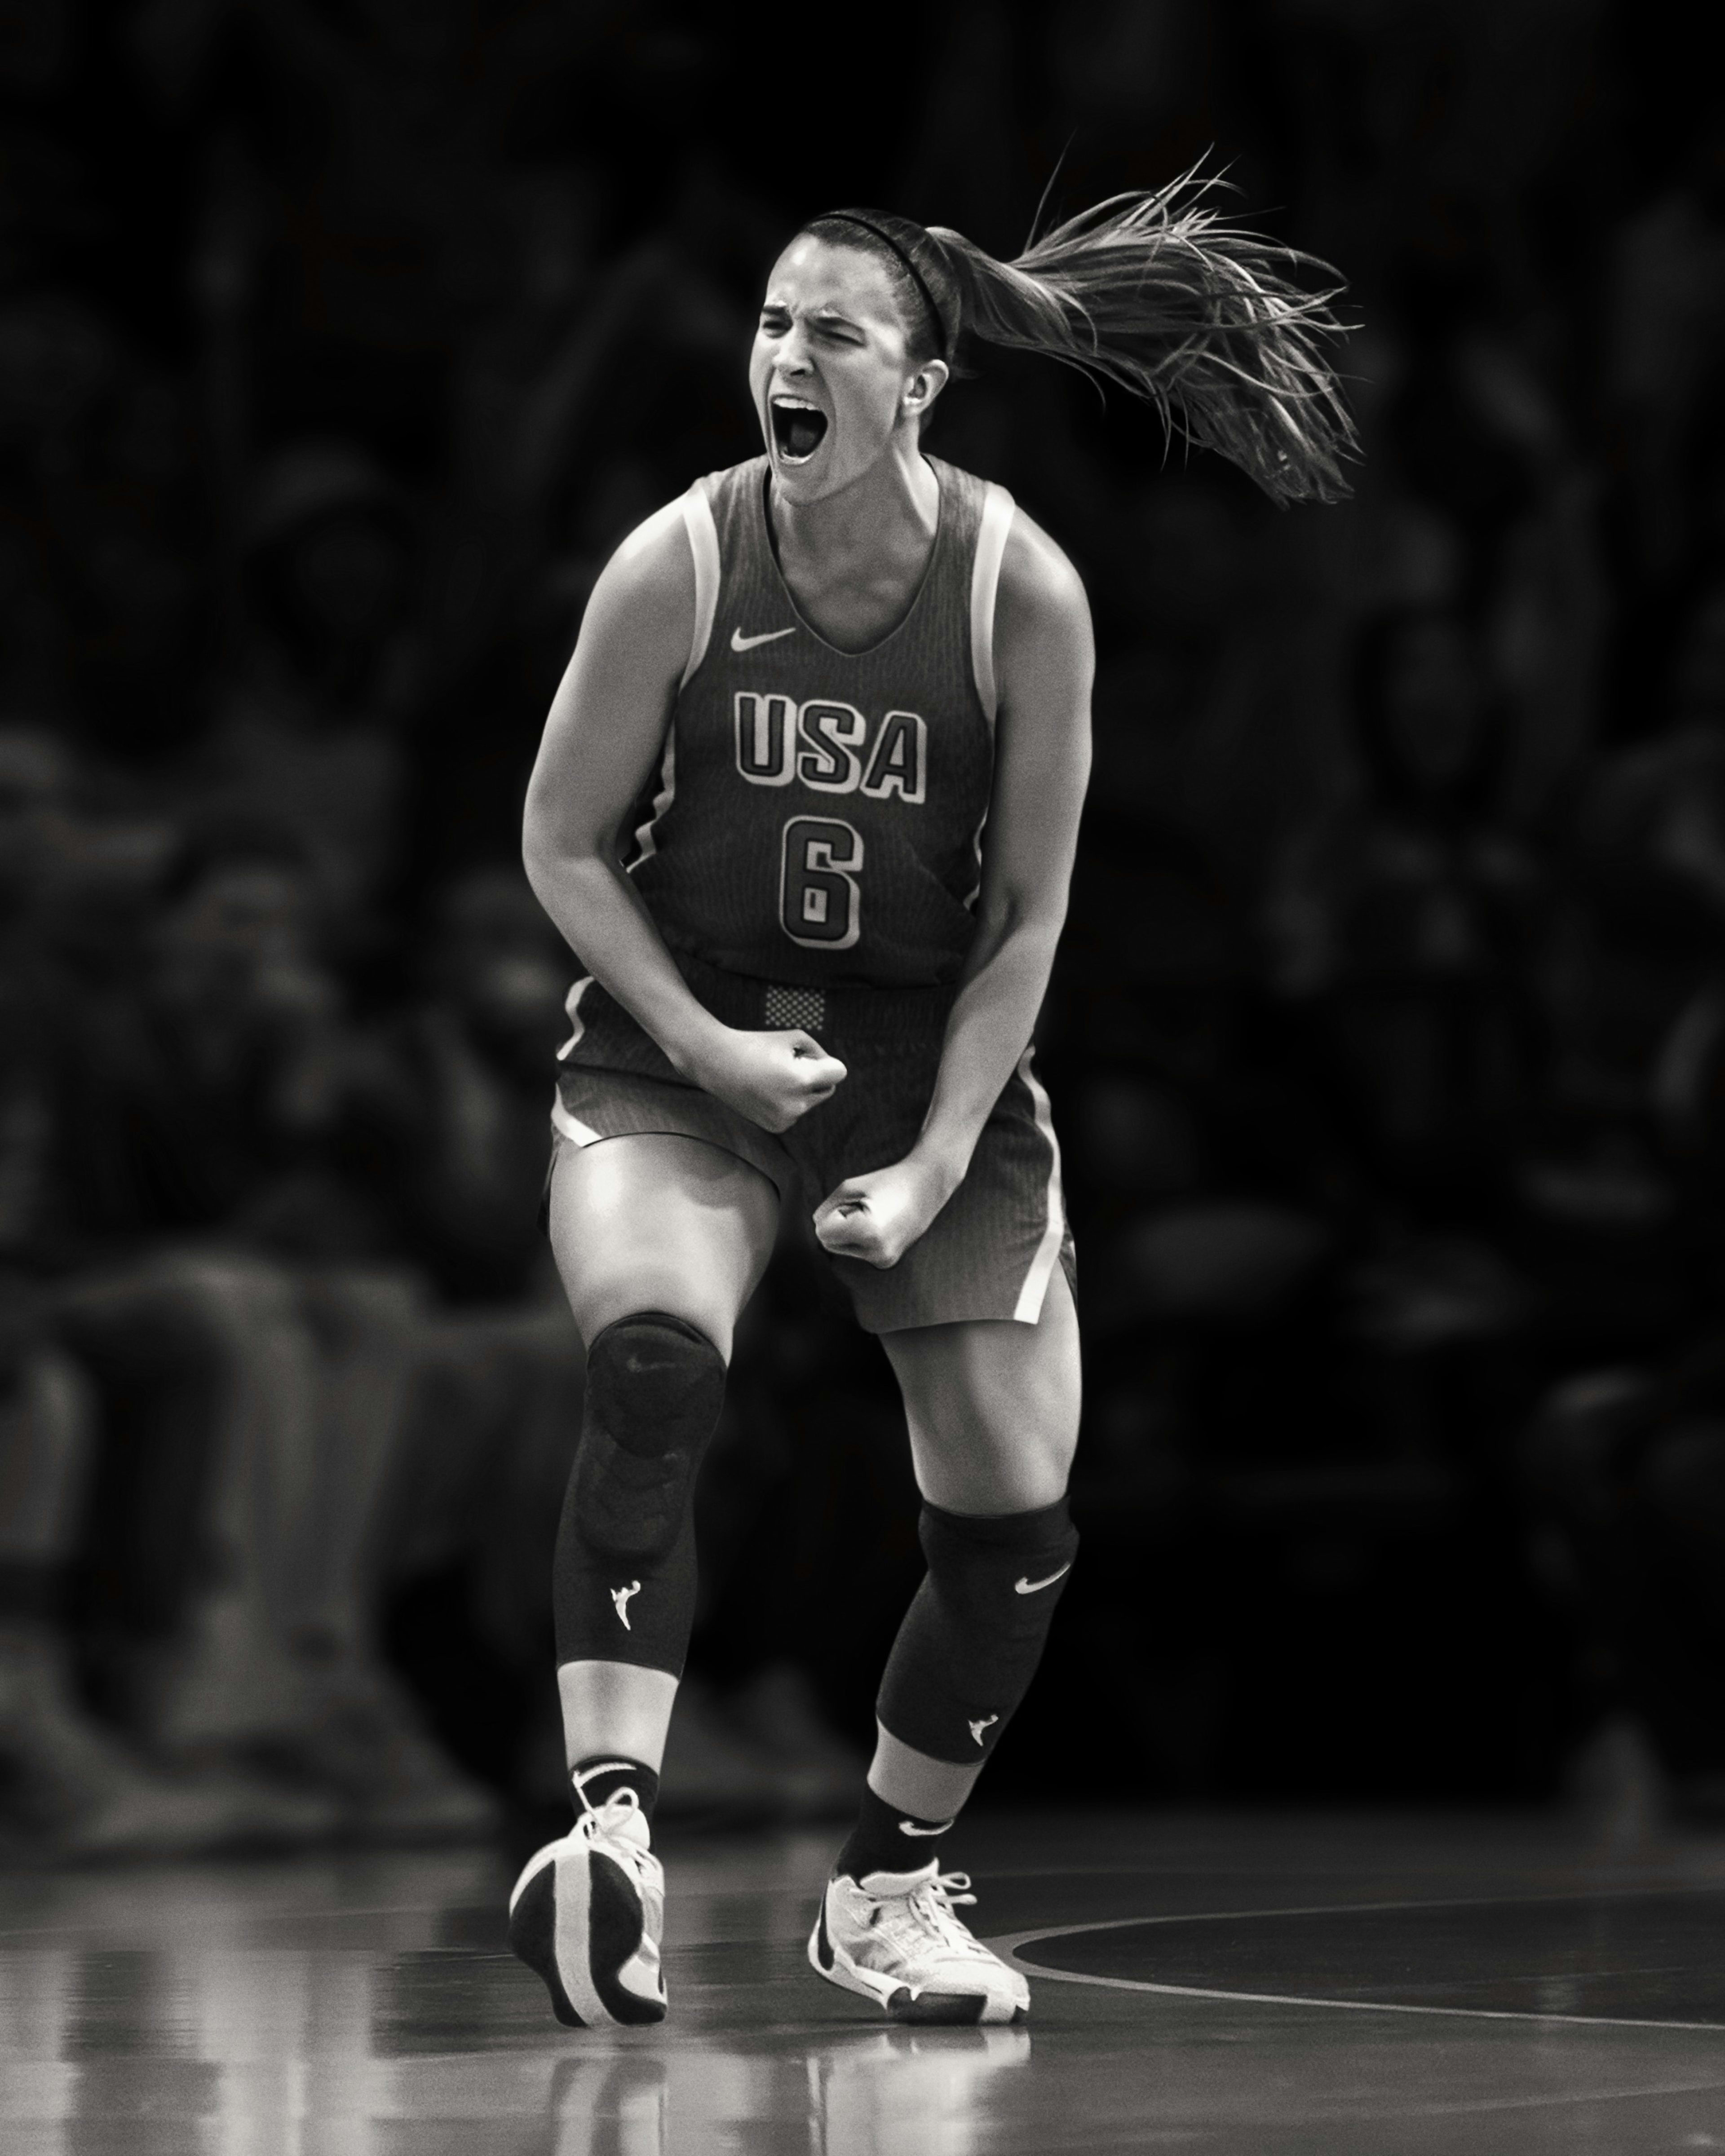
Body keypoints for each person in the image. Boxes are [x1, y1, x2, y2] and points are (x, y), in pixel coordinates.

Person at [511, 176, 1355, 2029]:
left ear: (923, 386)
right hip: (686, 1035)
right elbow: (562, 843)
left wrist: (940, 1155)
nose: (784, 358)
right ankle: (613, 1837)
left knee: (1016, 1510)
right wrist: (714, 1053)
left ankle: (886, 1887)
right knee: (654, 1362)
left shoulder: (1015, 587)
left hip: (926, 1052)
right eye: (769, 323)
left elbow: (1034, 916)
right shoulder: (681, 558)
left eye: (833, 332)